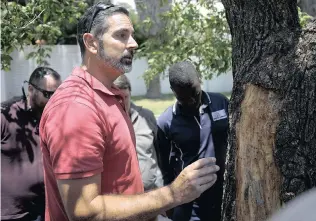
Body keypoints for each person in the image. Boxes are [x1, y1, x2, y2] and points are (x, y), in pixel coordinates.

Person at [39, 2, 220, 221]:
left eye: (132, 35)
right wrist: (173, 194)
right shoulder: (76, 107)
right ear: (92, 43)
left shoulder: (108, 96)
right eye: (122, 35)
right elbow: (85, 212)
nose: (133, 44)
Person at [157, 60, 229, 221]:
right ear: (173, 91)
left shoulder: (221, 103)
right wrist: (170, 201)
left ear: (199, 79)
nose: (191, 101)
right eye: (183, 98)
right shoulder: (165, 122)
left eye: (194, 94)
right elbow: (164, 168)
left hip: (225, 194)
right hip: (190, 205)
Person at [1, 67, 61, 221]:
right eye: (48, 94)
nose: (53, 100)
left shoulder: (56, 118)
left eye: (58, 94)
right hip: (13, 213)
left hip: (45, 208)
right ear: (30, 89)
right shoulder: (7, 115)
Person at [114, 74, 164, 191]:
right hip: (124, 196)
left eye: (125, 97)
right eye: (117, 98)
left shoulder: (146, 117)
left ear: (130, 93)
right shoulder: (106, 123)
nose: (122, 102)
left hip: (153, 190)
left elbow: (160, 152)